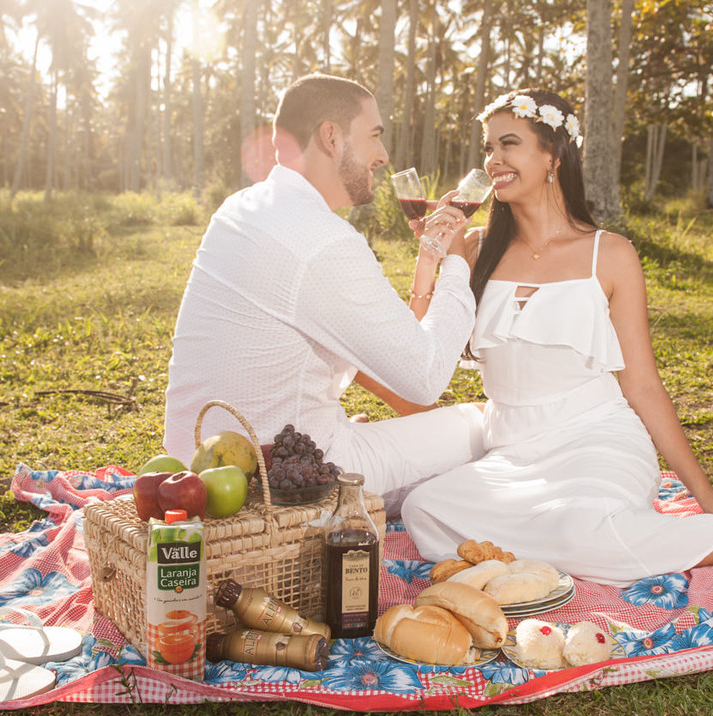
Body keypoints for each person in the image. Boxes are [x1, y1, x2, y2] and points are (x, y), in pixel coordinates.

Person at [401, 89, 713, 586]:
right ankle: (567, 548)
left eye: (508, 144)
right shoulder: (474, 247)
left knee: (582, 529)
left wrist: (706, 494)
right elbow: (417, 351)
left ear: (553, 155)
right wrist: (432, 258)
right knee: (425, 509)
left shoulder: (609, 254)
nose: (493, 160)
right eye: (488, 147)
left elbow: (642, 384)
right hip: (510, 450)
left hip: (595, 437)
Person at [162, 74, 484, 512]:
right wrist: (458, 263)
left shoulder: (239, 208)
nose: (383, 156)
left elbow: (387, 351)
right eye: (374, 136)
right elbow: (424, 378)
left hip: (195, 473)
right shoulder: (325, 241)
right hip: (285, 489)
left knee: (412, 440)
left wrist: (427, 260)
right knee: (478, 424)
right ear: (331, 137)